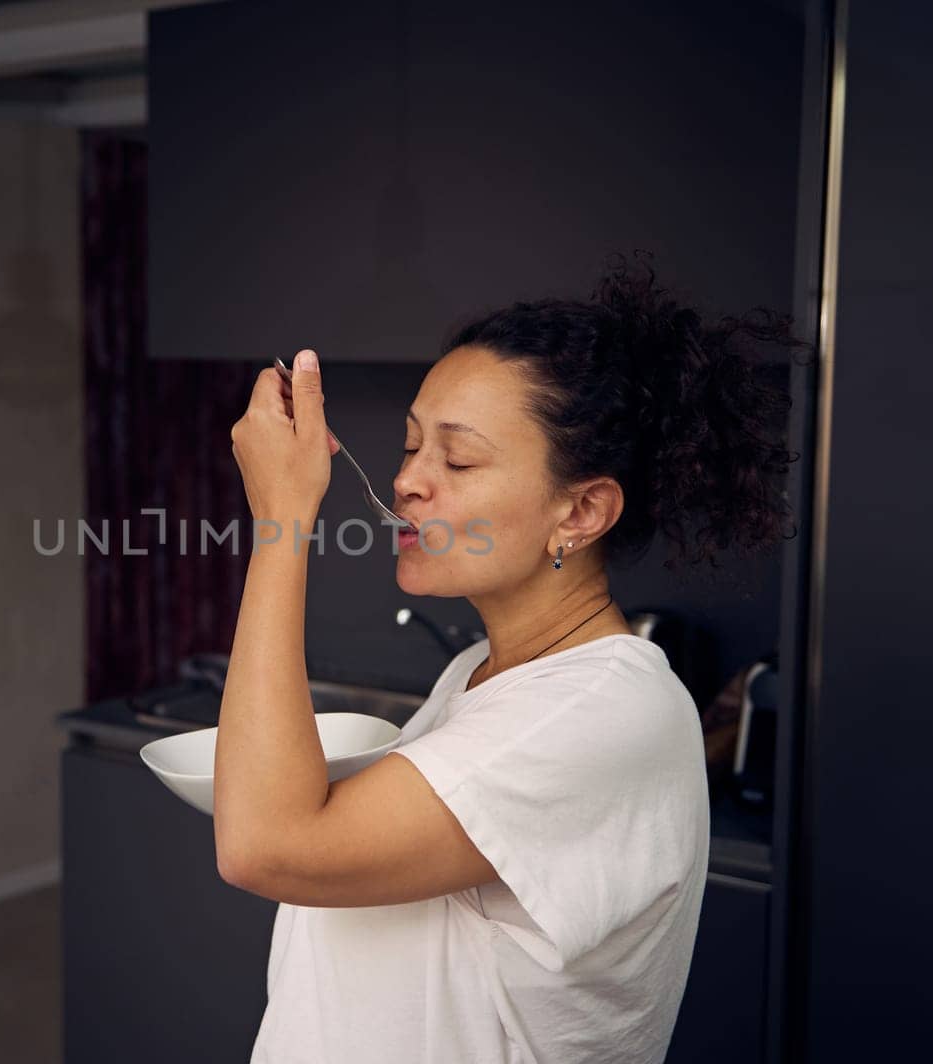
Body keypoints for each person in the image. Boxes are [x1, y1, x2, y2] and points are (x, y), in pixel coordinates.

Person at [220, 250, 810, 1064]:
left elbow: (267, 846)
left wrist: (281, 522)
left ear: (582, 510)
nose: (407, 483)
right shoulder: (480, 676)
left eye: (457, 459)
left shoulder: (598, 711)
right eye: (410, 446)